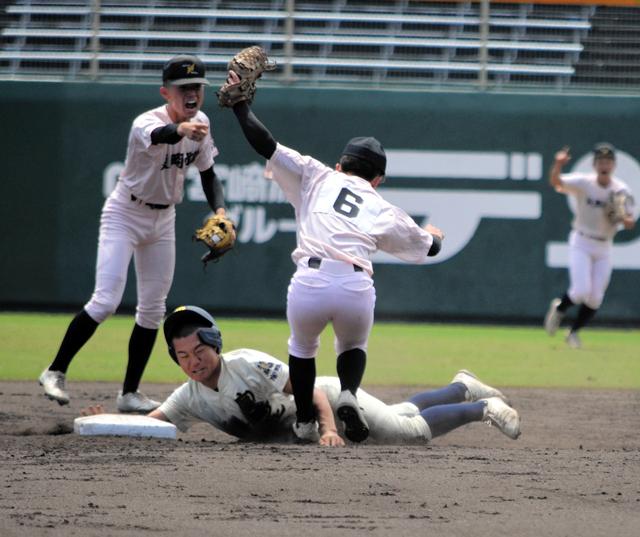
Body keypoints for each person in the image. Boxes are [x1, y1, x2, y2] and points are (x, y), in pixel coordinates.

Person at [220, 70, 445, 444]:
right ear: (377, 180)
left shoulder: (318, 175)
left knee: (302, 349)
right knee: (353, 346)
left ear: (341, 164)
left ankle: (306, 420)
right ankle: (349, 394)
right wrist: (434, 235)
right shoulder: (381, 206)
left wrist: (240, 106)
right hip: (356, 286)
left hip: (310, 281)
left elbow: (267, 145)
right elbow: (429, 247)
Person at [40, 55, 230, 412]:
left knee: (153, 310)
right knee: (106, 300)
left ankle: (129, 394)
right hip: (125, 213)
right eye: (183, 88)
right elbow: (160, 135)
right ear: (165, 92)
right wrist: (181, 130)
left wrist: (220, 211)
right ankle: (55, 370)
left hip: (164, 220)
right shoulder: (146, 122)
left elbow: (208, 173)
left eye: (197, 87)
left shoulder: (201, 123)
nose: (192, 94)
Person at [84, 306, 521, 446]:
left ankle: (483, 407)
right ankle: (463, 383)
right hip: (306, 423)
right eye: (182, 355)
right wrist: (107, 422)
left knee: (409, 433)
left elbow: (308, 389)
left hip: (325, 398)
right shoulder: (189, 397)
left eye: (199, 350)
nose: (193, 361)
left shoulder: (246, 363)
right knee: (399, 410)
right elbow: (154, 423)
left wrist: (331, 430)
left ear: (214, 344)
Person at [544, 143, 636, 349]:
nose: (605, 165)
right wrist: (557, 165)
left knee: (595, 298)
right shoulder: (584, 183)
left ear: (614, 165)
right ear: (594, 164)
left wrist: (621, 217)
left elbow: (630, 223)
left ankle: (573, 333)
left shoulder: (621, 190)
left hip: (604, 246)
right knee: (580, 291)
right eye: (601, 161)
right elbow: (555, 181)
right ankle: (559, 309)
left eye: (608, 162)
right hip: (582, 241)